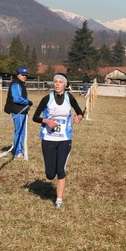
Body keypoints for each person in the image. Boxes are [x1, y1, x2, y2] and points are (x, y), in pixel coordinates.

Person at [32, 73, 84, 209]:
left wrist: (78, 118)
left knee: (61, 169)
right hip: (48, 139)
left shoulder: (69, 98)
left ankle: (59, 199)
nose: (57, 84)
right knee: (50, 174)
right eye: (55, 81)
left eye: (60, 82)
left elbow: (80, 112)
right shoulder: (47, 99)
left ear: (65, 85)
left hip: (65, 139)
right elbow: (35, 117)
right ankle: (51, 175)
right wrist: (46, 120)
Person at [4, 66, 33, 160]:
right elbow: (17, 98)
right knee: (19, 132)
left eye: (26, 75)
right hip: (17, 111)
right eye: (23, 75)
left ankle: (19, 151)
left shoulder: (21, 84)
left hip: (22, 111)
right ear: (18, 74)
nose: (25, 76)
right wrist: (27, 102)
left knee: (22, 132)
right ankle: (18, 153)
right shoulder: (16, 84)